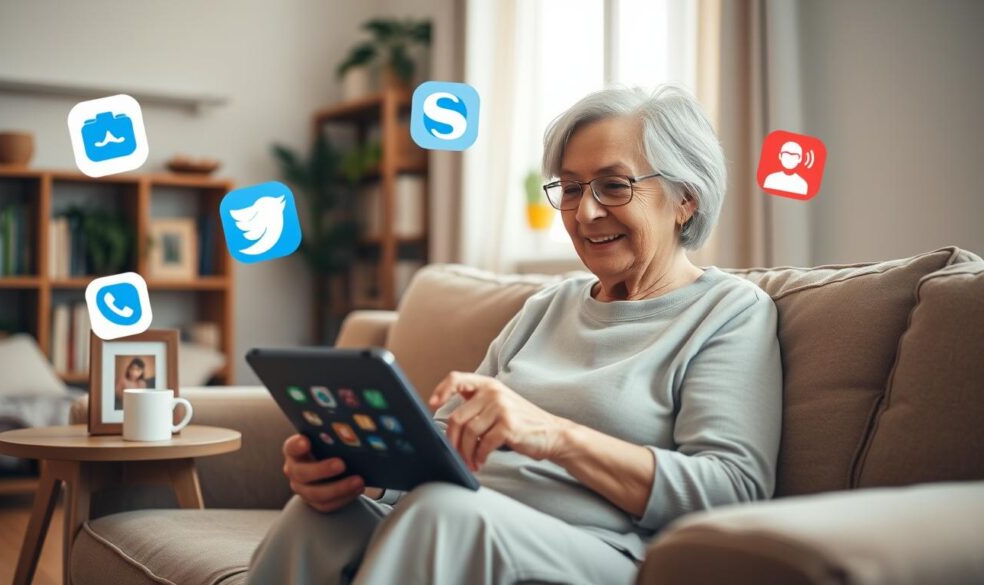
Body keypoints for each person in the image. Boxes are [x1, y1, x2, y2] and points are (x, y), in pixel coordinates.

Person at [247, 85, 783, 585]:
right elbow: (444, 443)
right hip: (460, 519)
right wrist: (361, 472)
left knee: (443, 514)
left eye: (614, 186)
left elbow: (731, 489)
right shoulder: (548, 306)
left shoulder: (728, 312)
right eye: (571, 189)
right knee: (318, 515)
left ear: (685, 197)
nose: (586, 211)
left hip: (602, 551)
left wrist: (554, 435)